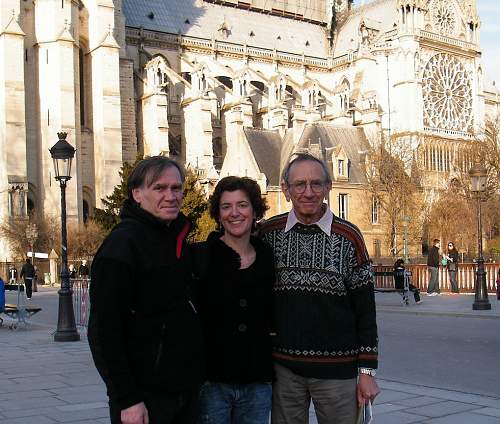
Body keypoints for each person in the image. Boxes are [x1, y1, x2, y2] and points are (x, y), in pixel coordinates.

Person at [260, 154, 379, 424]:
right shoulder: (268, 234)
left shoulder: (349, 237)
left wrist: (367, 372)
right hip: (283, 371)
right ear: (286, 190)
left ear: (328, 188)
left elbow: (366, 312)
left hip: (337, 372)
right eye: (299, 184)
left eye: (316, 184)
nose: (308, 192)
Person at [88, 156, 204, 424]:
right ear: (137, 194)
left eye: (176, 188)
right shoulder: (122, 245)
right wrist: (127, 399)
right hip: (144, 397)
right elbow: (104, 332)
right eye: (160, 188)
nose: (171, 196)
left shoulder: (174, 239)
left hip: (183, 392)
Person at [192, 176, 275, 424]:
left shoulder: (267, 256)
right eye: (226, 206)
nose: (234, 213)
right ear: (218, 213)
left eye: (242, 205)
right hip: (212, 383)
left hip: (257, 382)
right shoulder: (200, 256)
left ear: (254, 210)